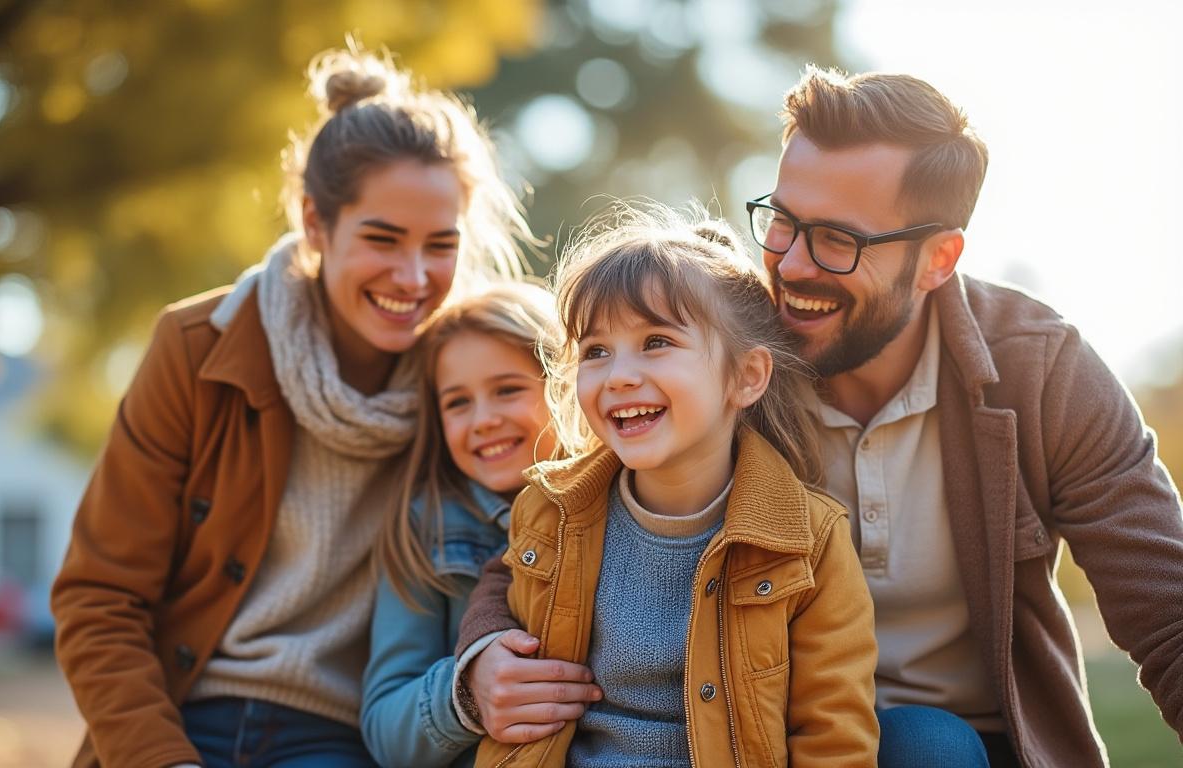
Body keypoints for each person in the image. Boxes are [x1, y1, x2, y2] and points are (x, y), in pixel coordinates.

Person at [457, 66, 1183, 768]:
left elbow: (1167, 612)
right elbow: (554, 524)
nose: (793, 265)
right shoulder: (724, 353)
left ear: (938, 259)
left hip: (963, 744)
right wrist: (484, 656)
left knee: (928, 743)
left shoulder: (1039, 371)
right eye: (782, 221)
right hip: (757, 735)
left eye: (840, 240)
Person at [50, 43, 536, 768]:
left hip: (343, 739)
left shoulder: (468, 387)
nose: (413, 276)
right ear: (315, 224)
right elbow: (99, 598)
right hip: (181, 720)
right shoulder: (197, 348)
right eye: (382, 239)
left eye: (441, 245)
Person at [469, 206, 879, 767]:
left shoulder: (811, 543)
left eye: (657, 341)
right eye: (595, 352)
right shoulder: (550, 509)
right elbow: (498, 590)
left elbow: (834, 737)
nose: (618, 376)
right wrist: (479, 653)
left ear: (746, 377)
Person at [361, 283, 565, 768]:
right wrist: (468, 695)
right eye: (457, 403)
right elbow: (383, 725)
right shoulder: (426, 527)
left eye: (508, 390)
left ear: (564, 380)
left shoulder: (628, 499)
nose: (483, 420)